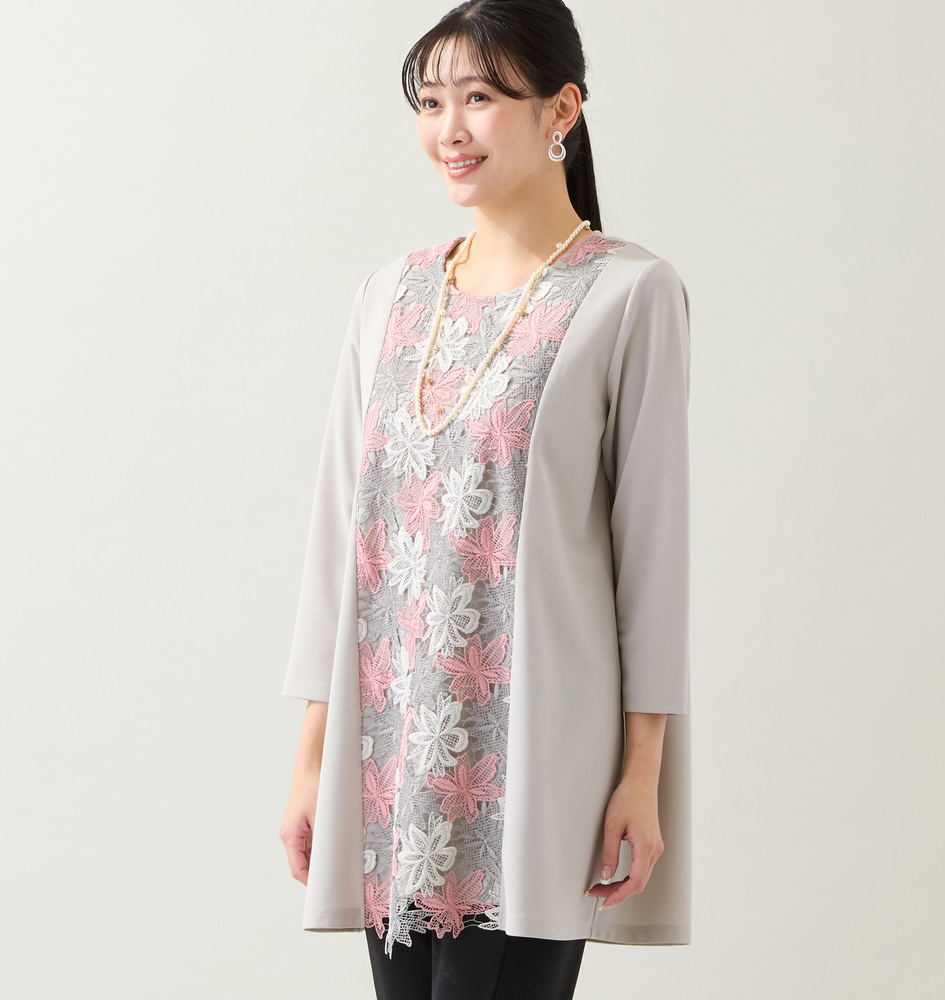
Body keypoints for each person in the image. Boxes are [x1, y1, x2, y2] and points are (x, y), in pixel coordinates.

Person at [279, 2, 692, 997]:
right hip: (390, 767)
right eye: (430, 103)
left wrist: (642, 774)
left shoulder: (629, 295)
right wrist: (312, 759)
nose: (449, 130)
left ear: (562, 111)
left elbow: (653, 554)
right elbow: (343, 538)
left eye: (479, 98)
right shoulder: (389, 297)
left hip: (536, 765)